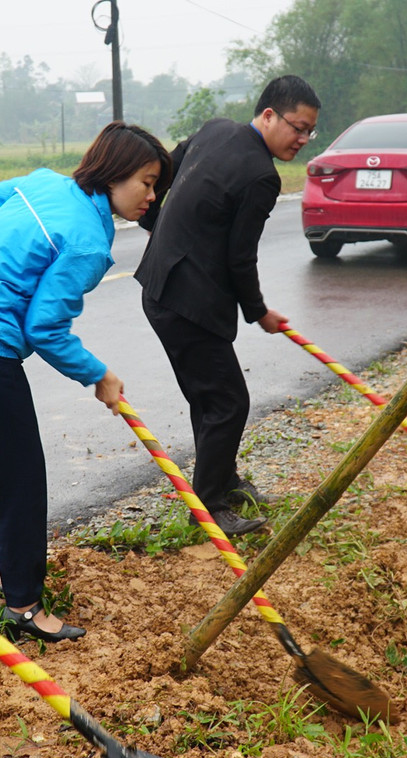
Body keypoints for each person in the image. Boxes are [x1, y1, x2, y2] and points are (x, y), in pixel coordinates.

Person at [0, 121, 170, 642]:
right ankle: (24, 606)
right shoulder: (87, 241)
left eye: (155, 186)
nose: (151, 195)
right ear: (115, 172)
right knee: (20, 476)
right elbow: (45, 329)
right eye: (146, 182)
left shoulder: (43, 182)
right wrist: (98, 375)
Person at [135, 75, 321, 536]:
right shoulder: (261, 176)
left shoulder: (217, 128)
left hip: (161, 288)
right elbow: (241, 257)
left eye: (309, 132)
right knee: (228, 402)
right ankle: (212, 506)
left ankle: (224, 480)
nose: (302, 139)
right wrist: (259, 311)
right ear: (268, 115)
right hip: (187, 304)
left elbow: (165, 170)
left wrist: (164, 229)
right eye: (297, 127)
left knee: (210, 396)